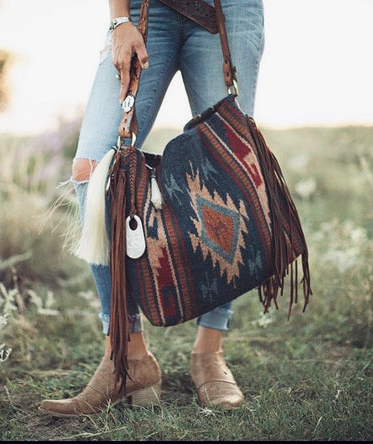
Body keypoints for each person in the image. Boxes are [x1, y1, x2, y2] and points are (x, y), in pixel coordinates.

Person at [39, 0, 264, 416]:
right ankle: (128, 357)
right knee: (93, 169)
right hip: (146, 10)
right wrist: (120, 19)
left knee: (226, 173)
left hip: (227, 10)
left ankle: (209, 351)